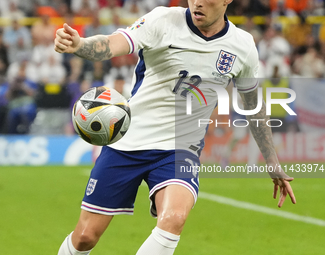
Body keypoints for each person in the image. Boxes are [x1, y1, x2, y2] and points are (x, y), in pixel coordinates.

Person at [54, 1, 296, 254]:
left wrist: (272, 161)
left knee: (174, 219)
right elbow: (114, 43)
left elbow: (253, 105)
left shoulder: (243, 46)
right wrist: (80, 45)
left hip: (180, 151)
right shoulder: (163, 20)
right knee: (85, 237)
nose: (197, 3)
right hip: (128, 143)